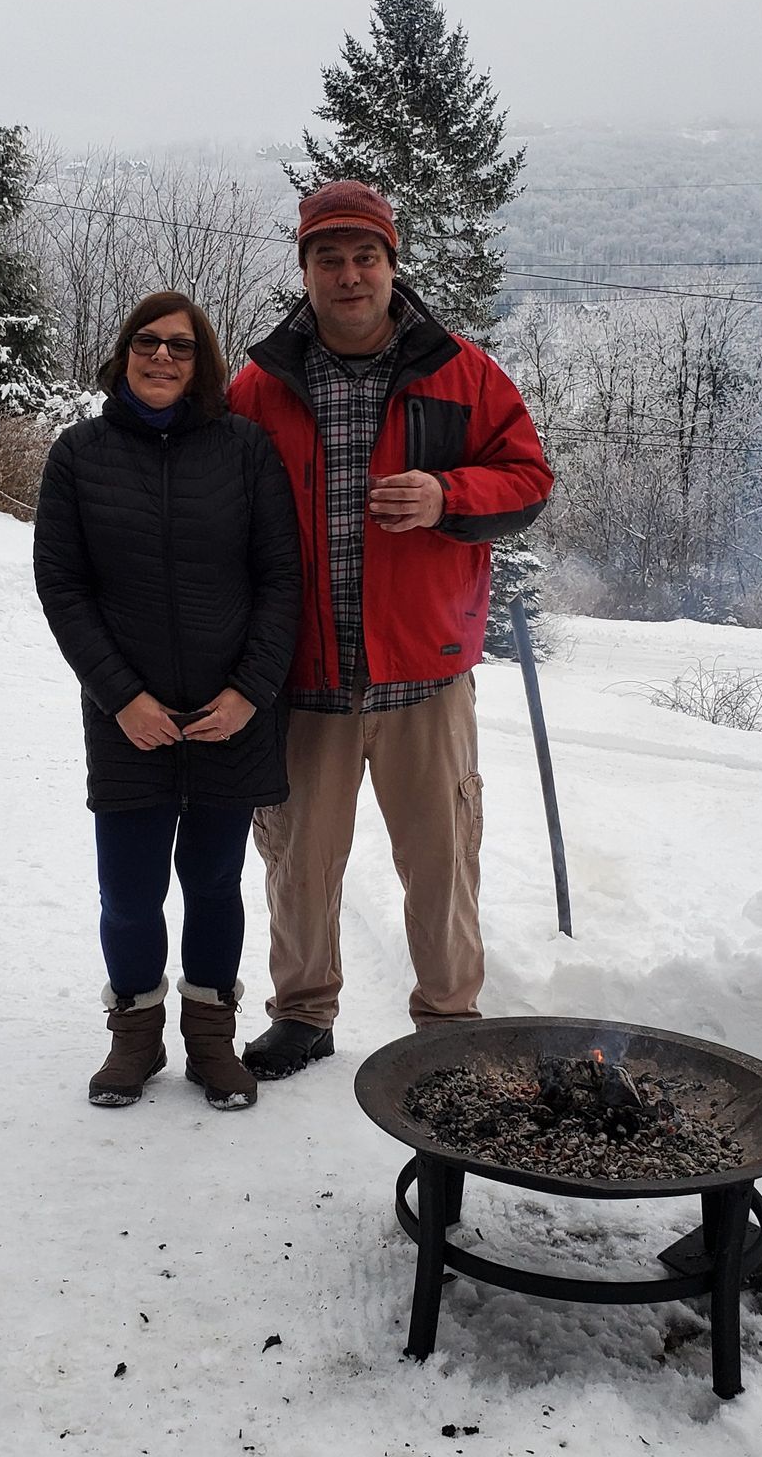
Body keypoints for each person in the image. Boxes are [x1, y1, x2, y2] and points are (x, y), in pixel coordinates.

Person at [227, 180, 554, 1078]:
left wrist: (451, 495)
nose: (348, 274)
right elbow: (216, 510)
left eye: (365, 256)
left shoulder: (463, 372)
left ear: (391, 264)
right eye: (328, 258)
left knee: (443, 859)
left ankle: (448, 1020)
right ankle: (302, 1011)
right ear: (305, 271)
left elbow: (528, 479)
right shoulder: (259, 386)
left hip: (426, 672)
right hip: (306, 675)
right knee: (298, 858)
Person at [34, 291, 301, 1110]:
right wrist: (122, 699)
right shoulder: (78, 455)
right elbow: (63, 587)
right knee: (129, 888)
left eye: (180, 348)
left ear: (202, 363)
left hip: (231, 718)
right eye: (147, 342)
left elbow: (281, 581)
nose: (161, 358)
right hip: (130, 723)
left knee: (215, 884)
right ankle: (135, 1038)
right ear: (123, 353)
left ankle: (211, 1040)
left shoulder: (245, 450)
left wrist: (251, 692)